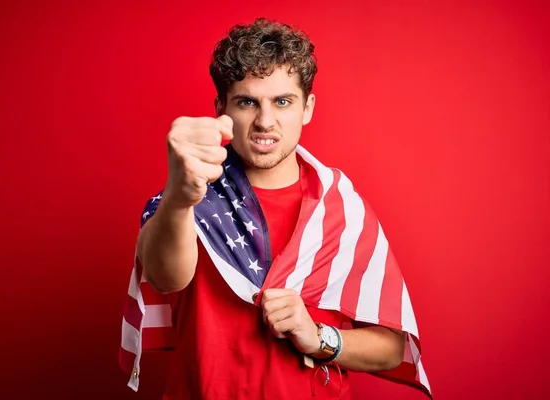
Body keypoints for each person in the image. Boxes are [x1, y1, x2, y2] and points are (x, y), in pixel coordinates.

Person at [120, 17, 432, 400]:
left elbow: (391, 349)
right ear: (221, 108)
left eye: (282, 102)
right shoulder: (187, 195)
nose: (265, 122)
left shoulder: (341, 208)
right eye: (247, 102)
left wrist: (318, 337)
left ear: (307, 108)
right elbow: (167, 278)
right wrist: (181, 197)